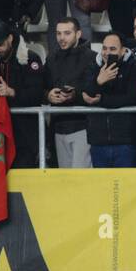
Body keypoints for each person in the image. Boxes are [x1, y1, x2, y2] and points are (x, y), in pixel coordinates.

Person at [0, 19, 45, 168]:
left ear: (10, 38)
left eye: (0, 44)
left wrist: (12, 92)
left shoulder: (29, 59)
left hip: (24, 132)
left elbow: (38, 94)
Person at [85, 31, 136, 167]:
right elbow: (87, 94)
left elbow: (133, 98)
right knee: (101, 187)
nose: (107, 52)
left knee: (126, 186)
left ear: (123, 50)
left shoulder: (134, 67)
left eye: (112, 49)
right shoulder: (93, 67)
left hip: (125, 141)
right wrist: (99, 81)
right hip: (98, 141)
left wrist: (102, 100)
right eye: (104, 48)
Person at [42, 18, 96, 167]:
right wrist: (48, 95)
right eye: (58, 33)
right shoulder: (52, 58)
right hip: (58, 127)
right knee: (64, 182)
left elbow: (95, 91)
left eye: (67, 33)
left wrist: (75, 95)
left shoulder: (92, 57)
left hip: (83, 127)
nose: (61, 38)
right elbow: (40, 88)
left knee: (80, 182)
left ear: (78, 34)